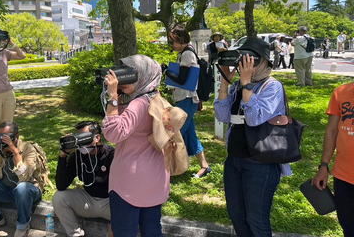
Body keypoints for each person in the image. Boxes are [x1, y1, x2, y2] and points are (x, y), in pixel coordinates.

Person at [214, 37, 290, 237]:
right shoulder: (239, 85)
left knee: (256, 220)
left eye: (252, 59)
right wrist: (225, 82)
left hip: (261, 163)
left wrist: (247, 85)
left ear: (264, 61)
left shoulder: (272, 87)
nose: (247, 63)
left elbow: (255, 118)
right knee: (236, 215)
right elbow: (222, 115)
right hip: (235, 160)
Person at [102, 54, 168, 237]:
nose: (123, 78)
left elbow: (113, 133)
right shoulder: (155, 98)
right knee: (152, 229)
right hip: (154, 180)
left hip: (129, 185)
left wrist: (113, 97)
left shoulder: (139, 104)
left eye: (131, 73)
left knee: (124, 232)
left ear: (144, 75)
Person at [53, 121, 115, 237]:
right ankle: (75, 234)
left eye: (84, 138)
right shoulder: (78, 156)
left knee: (126, 208)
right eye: (78, 138)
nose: (80, 143)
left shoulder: (111, 155)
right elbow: (61, 185)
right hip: (88, 201)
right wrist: (63, 155)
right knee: (59, 198)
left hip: (109, 203)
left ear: (97, 138)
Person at [165, 26, 210, 178]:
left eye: (173, 42)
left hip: (187, 99)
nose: (172, 45)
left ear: (180, 40)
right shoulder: (187, 53)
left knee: (175, 134)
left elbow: (182, 79)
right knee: (190, 134)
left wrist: (166, 71)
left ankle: (169, 169)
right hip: (187, 99)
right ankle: (204, 166)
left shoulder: (186, 54)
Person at [312, 81, 354, 237]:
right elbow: (331, 131)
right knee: (348, 226)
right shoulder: (341, 92)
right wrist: (324, 166)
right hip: (344, 177)